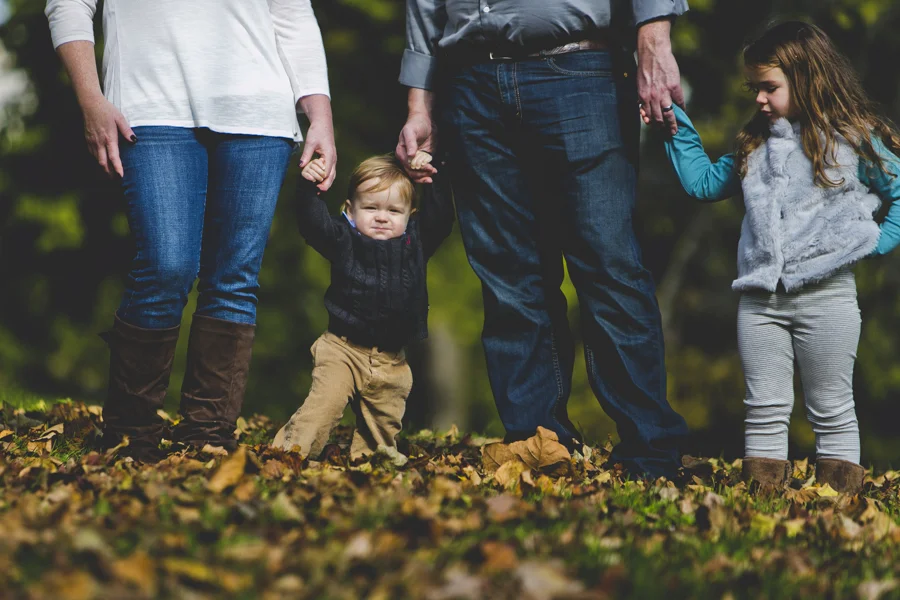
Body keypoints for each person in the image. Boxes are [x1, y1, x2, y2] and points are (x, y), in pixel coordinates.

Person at [397, 0, 690, 478]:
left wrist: (654, 43)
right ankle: (537, 447)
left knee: (609, 266)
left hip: (578, 71)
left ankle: (651, 451)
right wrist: (418, 105)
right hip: (469, 84)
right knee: (509, 278)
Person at [45, 0, 334, 460]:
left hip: (258, 111)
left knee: (234, 280)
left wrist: (320, 114)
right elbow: (68, 4)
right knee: (166, 267)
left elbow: (292, 13)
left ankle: (208, 435)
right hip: (149, 105)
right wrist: (90, 96)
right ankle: (130, 433)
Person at [659, 21, 900, 494]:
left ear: (808, 78)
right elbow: (703, 183)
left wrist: (876, 241)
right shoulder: (755, 145)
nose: (759, 99)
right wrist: (673, 119)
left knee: (831, 407)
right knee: (765, 406)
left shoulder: (856, 140)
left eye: (769, 87)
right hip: (760, 301)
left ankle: (839, 506)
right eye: (755, 88)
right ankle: (763, 500)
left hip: (828, 299)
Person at [272, 152, 454, 459]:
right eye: (371, 208)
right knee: (323, 406)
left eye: (394, 210)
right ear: (350, 211)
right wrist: (309, 188)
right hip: (342, 349)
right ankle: (287, 455)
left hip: (391, 359)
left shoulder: (416, 243)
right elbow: (313, 224)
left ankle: (368, 464)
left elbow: (441, 219)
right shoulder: (344, 239)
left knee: (383, 425)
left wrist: (433, 177)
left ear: (410, 215)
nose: (382, 216)